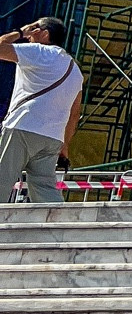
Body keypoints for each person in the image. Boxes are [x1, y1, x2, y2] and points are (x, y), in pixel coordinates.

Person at [0, 16, 82, 205]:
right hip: (52, 137)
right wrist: (65, 145)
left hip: (23, 126)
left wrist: (21, 31)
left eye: (35, 29)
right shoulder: (75, 70)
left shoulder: (39, 52)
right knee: (45, 190)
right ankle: (58, 228)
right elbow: (74, 113)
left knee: (2, 179)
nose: (29, 35)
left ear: (45, 34)